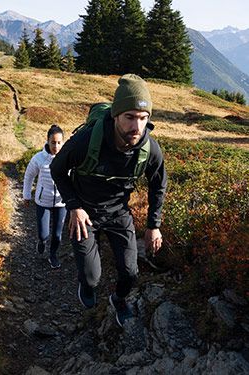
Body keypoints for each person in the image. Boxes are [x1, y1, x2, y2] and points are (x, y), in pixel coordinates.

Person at [51, 74, 167, 326]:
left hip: (118, 213)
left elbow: (158, 184)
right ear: (115, 115)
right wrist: (74, 206)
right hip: (84, 214)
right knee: (92, 278)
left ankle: (119, 299)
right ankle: (88, 284)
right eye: (130, 117)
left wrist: (153, 225)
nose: (137, 127)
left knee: (131, 273)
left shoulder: (150, 150)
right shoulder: (84, 142)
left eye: (143, 118)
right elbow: (57, 171)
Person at [23, 125, 67, 269]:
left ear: (63, 142)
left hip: (62, 202)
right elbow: (29, 176)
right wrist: (27, 195)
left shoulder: (67, 157)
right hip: (43, 201)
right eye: (53, 142)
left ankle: (53, 255)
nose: (56, 146)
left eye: (59, 142)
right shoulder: (39, 158)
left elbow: (73, 177)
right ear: (47, 141)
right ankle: (41, 242)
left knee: (58, 235)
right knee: (44, 235)